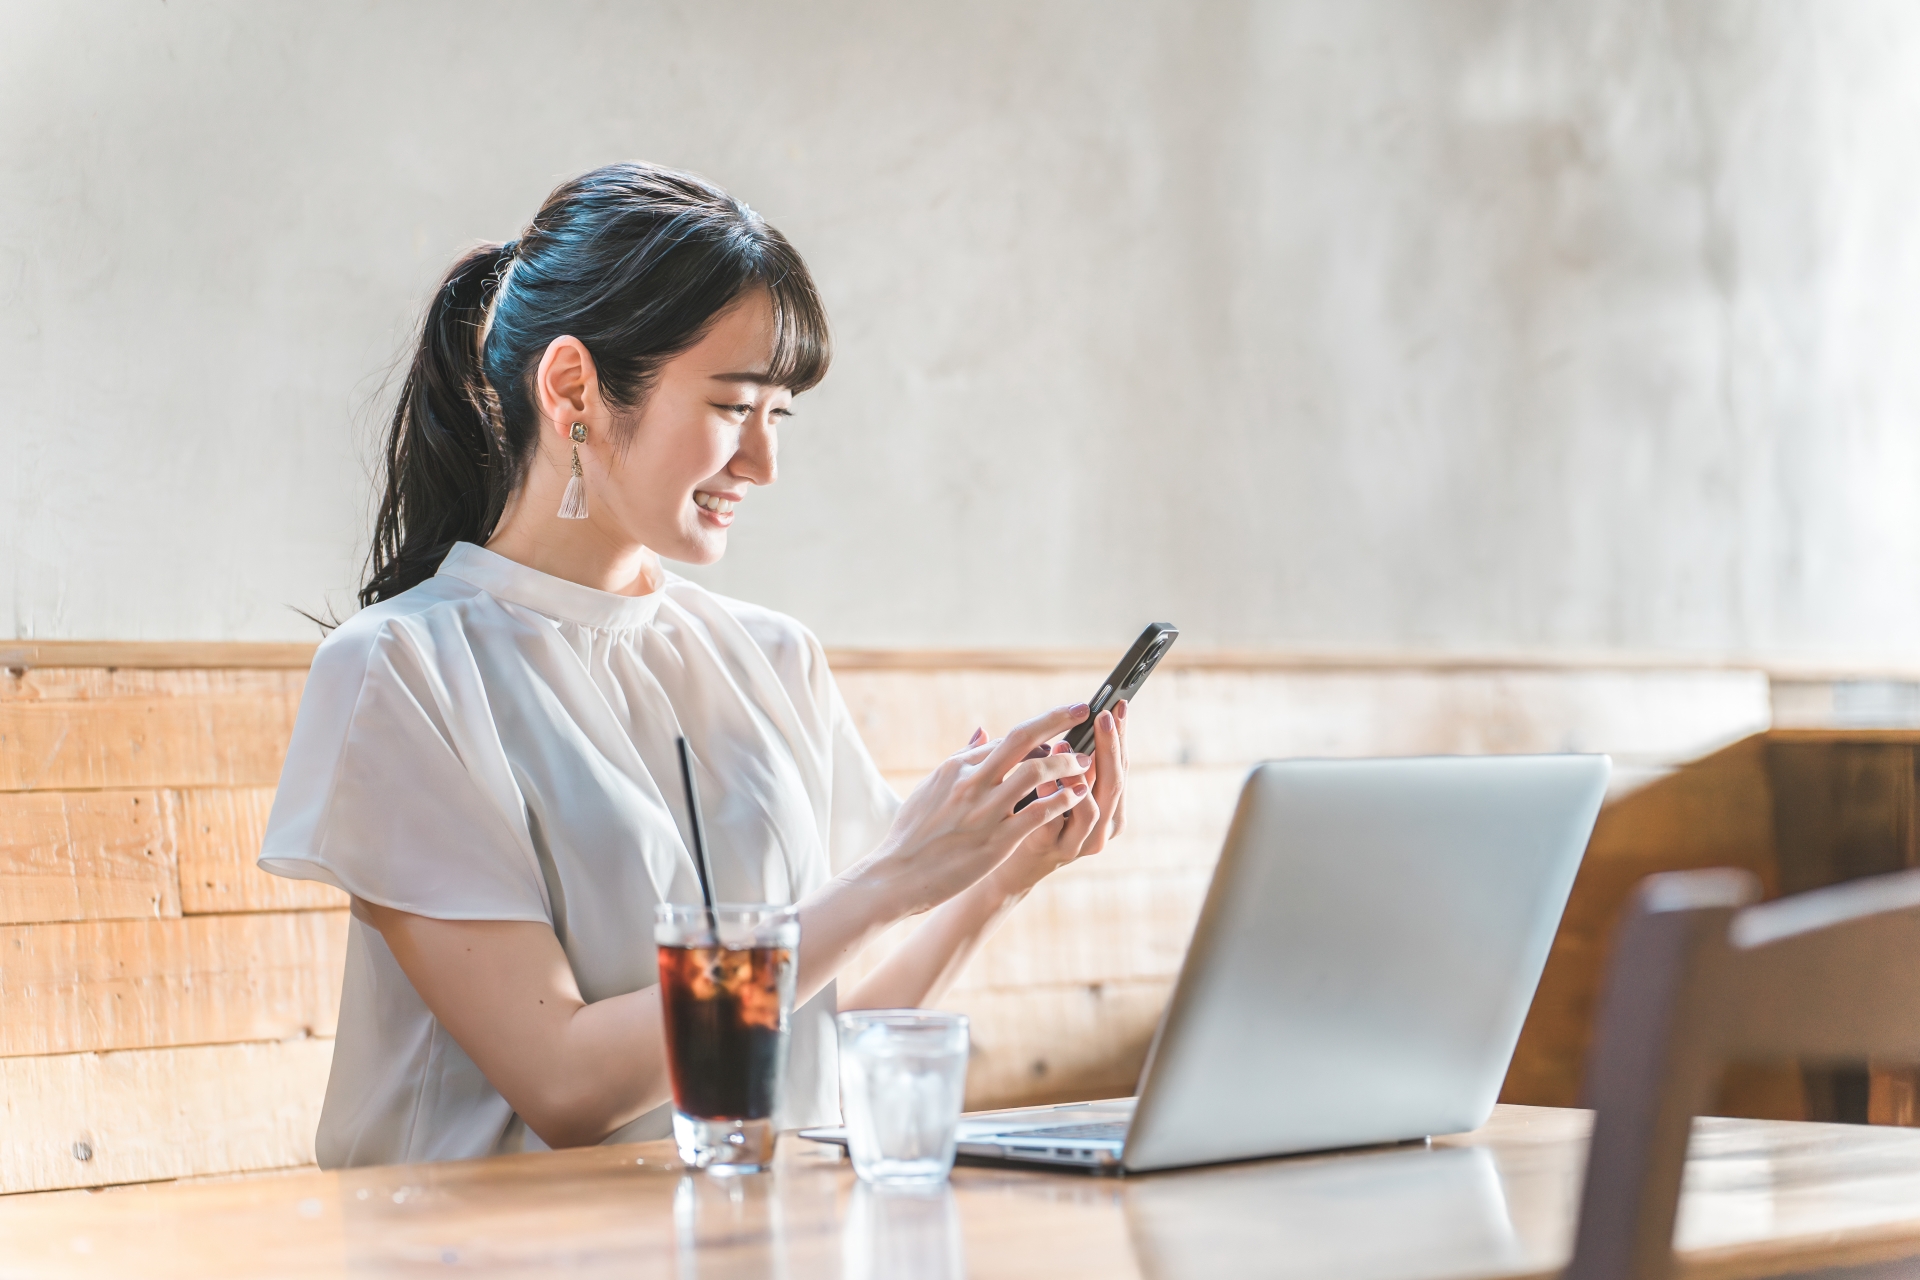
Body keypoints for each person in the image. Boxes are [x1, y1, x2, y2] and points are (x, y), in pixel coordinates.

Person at [258, 162, 1129, 1168]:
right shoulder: (400, 669)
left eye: (780, 413)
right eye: (732, 406)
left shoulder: (771, 655)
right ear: (574, 386)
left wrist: (992, 877)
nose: (764, 463)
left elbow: (806, 1050)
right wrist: (894, 879)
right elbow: (566, 1082)